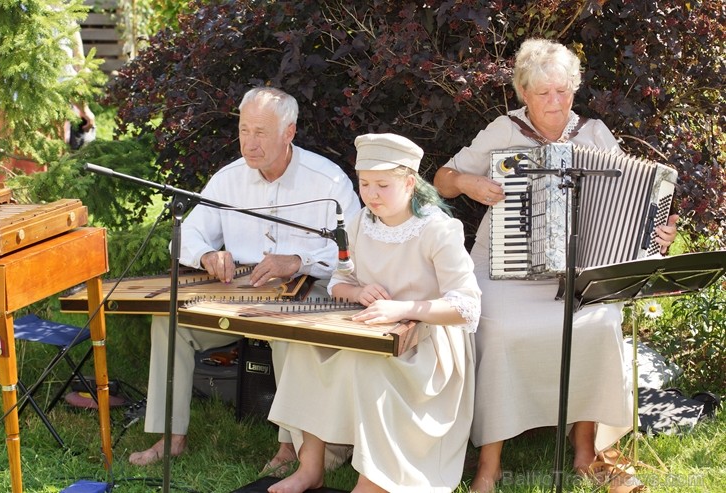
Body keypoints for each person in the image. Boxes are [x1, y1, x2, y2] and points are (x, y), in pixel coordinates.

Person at [433, 38, 679, 493]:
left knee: (601, 324)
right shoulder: (502, 131)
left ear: (574, 89)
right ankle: (490, 462)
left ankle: (587, 453)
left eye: (563, 91)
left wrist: (657, 229)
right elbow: (442, 179)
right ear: (523, 93)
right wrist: (470, 182)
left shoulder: (594, 133)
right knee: (502, 331)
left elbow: (634, 198)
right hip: (502, 267)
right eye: (543, 93)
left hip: (575, 270)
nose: (555, 102)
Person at [128, 87, 360, 471]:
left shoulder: (328, 182)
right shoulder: (228, 179)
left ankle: (290, 447)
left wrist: (298, 259)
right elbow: (186, 236)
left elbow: (352, 249)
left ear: (289, 132)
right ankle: (171, 436)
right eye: (243, 130)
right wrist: (206, 255)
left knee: (290, 335)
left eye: (261, 132)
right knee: (170, 321)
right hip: (239, 294)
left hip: (308, 290)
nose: (249, 144)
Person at [267, 133, 482, 493]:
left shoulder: (437, 229)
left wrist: (402, 308)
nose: (372, 194)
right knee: (305, 351)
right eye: (364, 183)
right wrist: (359, 290)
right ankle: (310, 467)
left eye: (383, 184)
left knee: (367, 366)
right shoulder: (360, 224)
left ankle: (375, 479)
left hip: (426, 346)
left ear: (410, 183)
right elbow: (338, 281)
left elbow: (466, 305)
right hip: (372, 333)